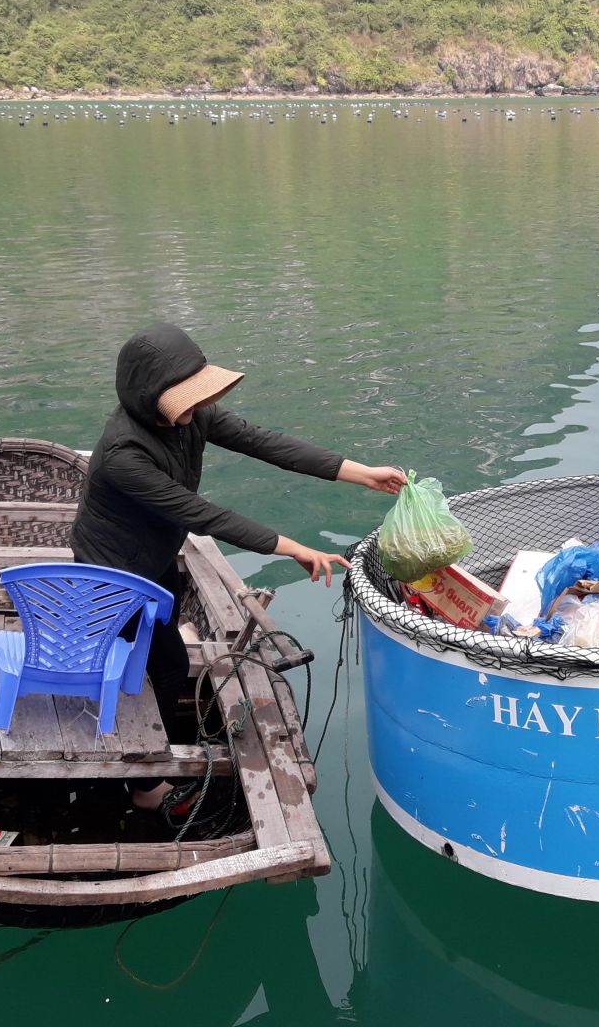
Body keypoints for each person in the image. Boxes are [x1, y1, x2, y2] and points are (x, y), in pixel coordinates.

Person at [70, 322, 405, 820]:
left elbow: (267, 443)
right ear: (148, 396)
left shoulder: (188, 421)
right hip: (113, 569)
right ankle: (141, 785)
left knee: (156, 660)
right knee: (165, 665)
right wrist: (294, 548)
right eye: (181, 398)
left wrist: (361, 473)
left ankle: (141, 752)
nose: (193, 409)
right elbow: (202, 514)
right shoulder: (125, 454)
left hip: (156, 556)